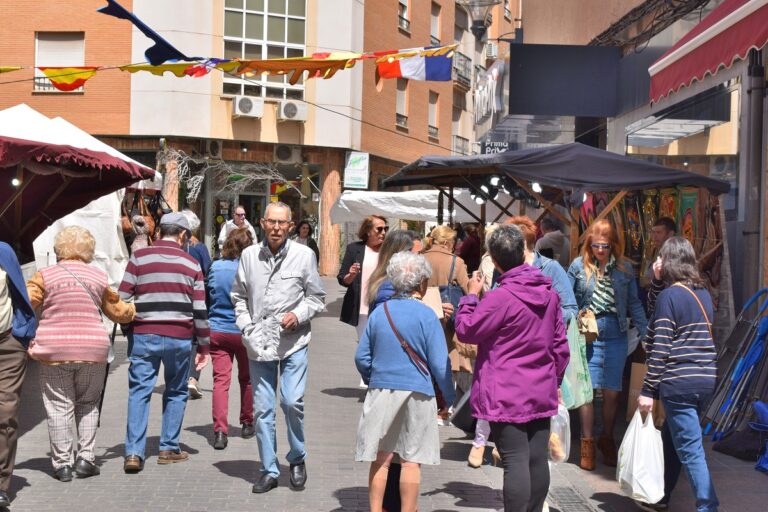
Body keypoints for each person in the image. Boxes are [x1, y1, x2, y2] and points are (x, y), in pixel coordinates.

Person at [455, 225, 569, 512]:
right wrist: (553, 379)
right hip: (540, 386)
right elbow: (560, 347)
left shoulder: (499, 298)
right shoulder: (549, 294)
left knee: (515, 459)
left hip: (506, 390)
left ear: (494, 261)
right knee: (536, 458)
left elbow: (466, 329)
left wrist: (470, 296)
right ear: (523, 253)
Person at [26, 226, 135, 481]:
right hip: (92, 349)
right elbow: (119, 312)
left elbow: (26, 302)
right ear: (89, 249)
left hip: (54, 351)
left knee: (58, 407)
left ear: (59, 248)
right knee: (88, 404)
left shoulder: (44, 276)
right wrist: (135, 309)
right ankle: (86, 459)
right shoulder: (98, 277)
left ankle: (62, 464)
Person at [467, 216, 578, 468]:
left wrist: (540, 324)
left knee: (523, 459)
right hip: (510, 369)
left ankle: (534, 502)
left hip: (536, 366)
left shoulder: (549, 269)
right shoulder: (502, 270)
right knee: (522, 456)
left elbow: (569, 308)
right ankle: (481, 442)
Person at [231, 202, 325, 494]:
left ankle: (297, 458)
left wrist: (299, 315)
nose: (276, 227)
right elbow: (238, 296)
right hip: (259, 343)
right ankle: (269, 469)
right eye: (271, 222)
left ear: (290, 225)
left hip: (293, 341)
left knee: (291, 401)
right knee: (262, 410)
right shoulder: (248, 256)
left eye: (281, 223)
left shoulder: (304, 255)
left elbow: (317, 298)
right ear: (261, 223)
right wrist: (246, 325)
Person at [355, 252, 455, 512]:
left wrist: (373, 377)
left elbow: (362, 356)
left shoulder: (380, 313)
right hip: (418, 393)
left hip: (381, 390)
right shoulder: (427, 316)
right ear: (421, 283)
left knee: (382, 458)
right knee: (411, 459)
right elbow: (439, 363)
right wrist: (449, 398)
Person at [118, 212, 211, 473]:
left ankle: (134, 453)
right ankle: (168, 447)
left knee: (139, 391)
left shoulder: (139, 257)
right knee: (177, 390)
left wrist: (129, 329)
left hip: (144, 336)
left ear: (159, 232)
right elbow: (200, 310)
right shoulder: (192, 265)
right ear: (182, 235)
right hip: (179, 338)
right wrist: (204, 346)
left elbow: (122, 298)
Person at [637, 237, 718, 512]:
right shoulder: (702, 294)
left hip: (679, 381)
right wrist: (658, 282)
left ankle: (708, 505)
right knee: (671, 439)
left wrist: (648, 390)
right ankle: (663, 496)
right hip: (705, 378)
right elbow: (656, 313)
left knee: (691, 449)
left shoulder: (671, 296)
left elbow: (659, 346)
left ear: (666, 261)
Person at [567, 219, 647, 471]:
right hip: (587, 332)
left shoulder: (624, 269)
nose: (600, 251)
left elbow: (634, 303)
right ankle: (587, 441)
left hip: (616, 332)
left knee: (613, 390)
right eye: (596, 245)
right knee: (587, 391)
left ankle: (607, 437)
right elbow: (567, 301)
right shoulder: (578, 266)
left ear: (614, 245)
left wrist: (647, 334)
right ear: (589, 243)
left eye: (605, 246)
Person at [206, 227, 254, 450]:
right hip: (244, 330)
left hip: (218, 330)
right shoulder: (251, 269)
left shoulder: (215, 267)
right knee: (247, 378)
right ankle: (247, 422)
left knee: (220, 381)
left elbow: (209, 296)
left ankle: (219, 431)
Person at [0, 242, 36, 509]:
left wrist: (22, 333)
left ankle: (0, 484)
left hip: (7, 345)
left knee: (5, 412)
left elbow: (19, 289)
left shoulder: (3, 251)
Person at [422, 225, 470, 376]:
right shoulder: (456, 262)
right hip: (447, 318)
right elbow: (469, 292)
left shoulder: (418, 258)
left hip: (422, 316)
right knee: (447, 362)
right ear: (447, 242)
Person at [338, 215, 388, 340]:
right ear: (368, 231)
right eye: (379, 229)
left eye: (385, 229)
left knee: (381, 344)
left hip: (383, 306)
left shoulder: (388, 251)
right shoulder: (354, 249)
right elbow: (343, 279)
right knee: (365, 344)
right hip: (362, 308)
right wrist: (351, 275)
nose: (383, 232)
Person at [181, 209, 212, 400]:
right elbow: (208, 272)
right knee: (194, 340)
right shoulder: (199, 248)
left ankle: (179, 377)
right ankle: (192, 378)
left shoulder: (173, 248)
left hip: (175, 301)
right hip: (196, 299)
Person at [366, 230, 423, 311]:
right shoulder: (389, 287)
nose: (422, 259)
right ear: (400, 256)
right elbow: (389, 319)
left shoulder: (397, 282)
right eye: (417, 254)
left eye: (421, 253)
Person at [641, 217, 677, 288]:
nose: (654, 236)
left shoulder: (675, 255)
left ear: (670, 234)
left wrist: (650, 281)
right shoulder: (657, 251)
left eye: (659, 232)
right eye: (653, 232)